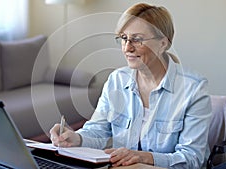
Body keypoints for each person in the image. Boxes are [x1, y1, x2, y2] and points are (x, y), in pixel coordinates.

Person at [50, 3, 211, 169]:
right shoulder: (116, 80)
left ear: (163, 43)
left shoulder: (194, 88)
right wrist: (76, 138)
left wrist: (145, 158)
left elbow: (192, 159)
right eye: (124, 38)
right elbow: (98, 130)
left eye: (137, 39)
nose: (127, 48)